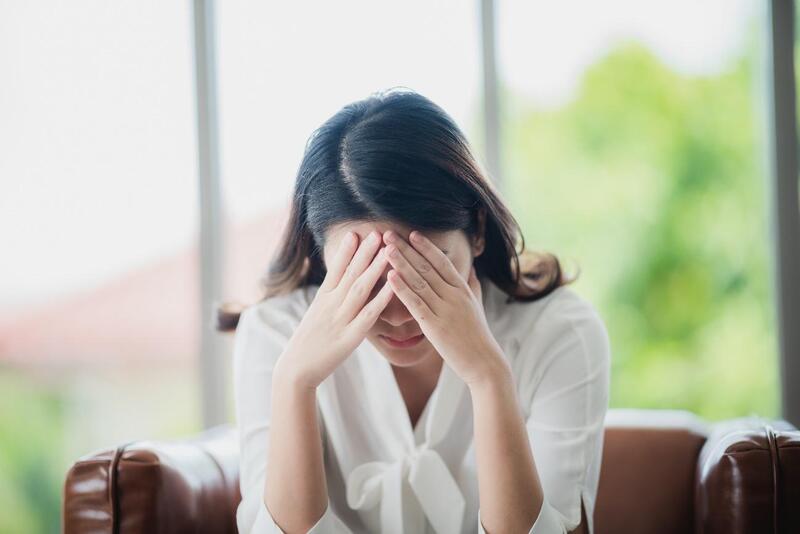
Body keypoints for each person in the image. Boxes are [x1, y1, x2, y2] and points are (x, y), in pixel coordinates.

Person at [217, 87, 611, 534]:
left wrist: (489, 377)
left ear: (477, 232)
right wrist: (294, 382)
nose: (402, 314)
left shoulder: (560, 332)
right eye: (366, 278)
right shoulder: (272, 333)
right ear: (323, 257)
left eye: (427, 271)